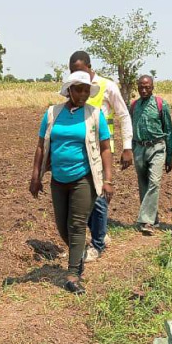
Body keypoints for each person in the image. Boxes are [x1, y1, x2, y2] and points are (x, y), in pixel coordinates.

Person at [31, 70, 114, 294]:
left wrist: (108, 180)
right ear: (69, 90)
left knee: (76, 224)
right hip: (58, 179)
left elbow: (105, 148)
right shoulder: (52, 113)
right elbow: (41, 145)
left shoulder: (95, 115)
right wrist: (36, 175)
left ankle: (73, 274)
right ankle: (79, 254)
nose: (84, 93)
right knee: (62, 226)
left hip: (83, 178)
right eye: (79, 89)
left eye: (87, 89)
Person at [65, 51, 132, 262]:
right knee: (81, 197)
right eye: (72, 72)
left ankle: (97, 244)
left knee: (100, 196)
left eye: (80, 71)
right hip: (78, 151)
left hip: (102, 151)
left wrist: (127, 146)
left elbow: (123, 114)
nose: (77, 75)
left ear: (90, 67)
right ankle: (99, 234)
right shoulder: (72, 87)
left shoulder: (107, 86)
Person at [129, 75, 172, 235]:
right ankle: (152, 218)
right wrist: (129, 149)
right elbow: (129, 130)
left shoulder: (160, 104)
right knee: (143, 184)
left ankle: (146, 221)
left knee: (154, 182)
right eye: (140, 86)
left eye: (147, 87)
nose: (143, 90)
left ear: (152, 87)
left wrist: (169, 156)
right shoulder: (134, 106)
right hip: (139, 148)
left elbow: (169, 130)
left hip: (157, 146)